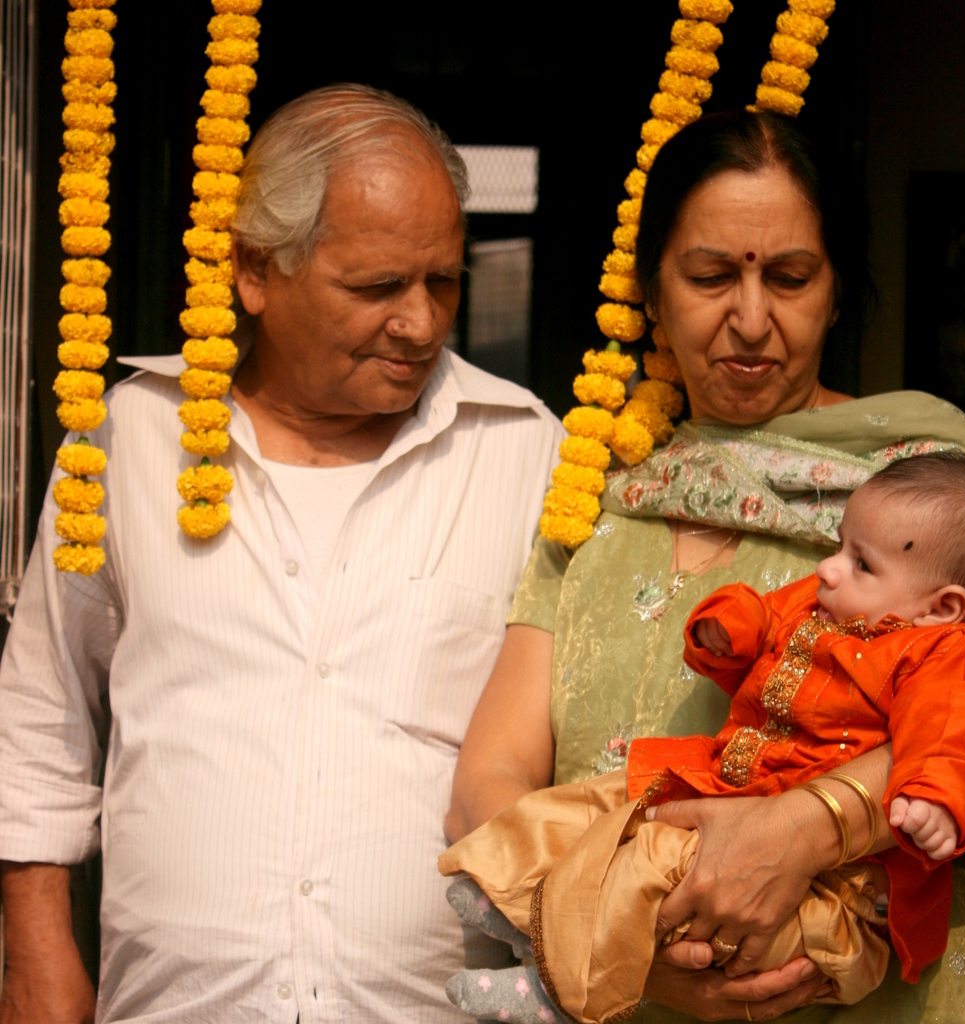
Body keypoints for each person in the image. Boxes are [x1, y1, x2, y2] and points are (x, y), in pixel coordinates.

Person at [0, 85, 562, 1023]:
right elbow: (40, 709)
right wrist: (34, 952)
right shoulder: (126, 440)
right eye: (377, 287)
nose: (421, 322)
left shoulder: (527, 452)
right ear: (256, 271)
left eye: (443, 281)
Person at [446, 110, 965, 1023]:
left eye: (790, 277)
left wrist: (811, 824)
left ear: (836, 290)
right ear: (651, 292)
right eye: (710, 277)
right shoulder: (597, 497)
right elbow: (490, 778)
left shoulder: (938, 496)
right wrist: (618, 942)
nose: (751, 320)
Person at [440, 451, 965, 1024]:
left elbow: (956, 729)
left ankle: (558, 992)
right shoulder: (823, 606)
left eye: (860, 563)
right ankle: (520, 907)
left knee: (653, 859)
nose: (829, 568)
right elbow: (766, 614)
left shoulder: (943, 658)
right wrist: (731, 627)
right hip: (721, 785)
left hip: (830, 884)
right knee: (591, 808)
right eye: (839, 546)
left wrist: (931, 797)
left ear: (943, 607)